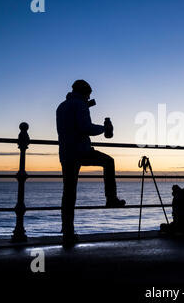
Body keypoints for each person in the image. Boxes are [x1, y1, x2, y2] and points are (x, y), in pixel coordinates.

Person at [56, 79, 126, 246]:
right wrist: (104, 128)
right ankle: (111, 198)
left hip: (66, 153)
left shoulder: (62, 106)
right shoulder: (80, 105)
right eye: (88, 95)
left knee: (68, 194)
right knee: (109, 162)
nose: (89, 98)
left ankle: (67, 232)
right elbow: (85, 128)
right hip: (81, 151)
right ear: (85, 93)